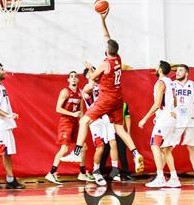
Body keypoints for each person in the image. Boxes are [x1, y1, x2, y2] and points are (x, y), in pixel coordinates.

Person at [60, 9, 144, 174]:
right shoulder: (117, 58)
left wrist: (88, 69)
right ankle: (136, 153)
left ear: (107, 50)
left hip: (107, 98)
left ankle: (76, 153)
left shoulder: (105, 63)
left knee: (84, 121)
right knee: (119, 129)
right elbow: (107, 37)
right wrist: (102, 19)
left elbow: (92, 78)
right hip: (119, 97)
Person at [45, 71, 94, 185]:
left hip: (75, 122)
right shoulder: (65, 92)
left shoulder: (80, 92)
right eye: (71, 77)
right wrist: (72, 114)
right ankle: (52, 173)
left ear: (78, 80)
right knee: (64, 149)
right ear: (68, 80)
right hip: (66, 122)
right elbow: (58, 109)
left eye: (75, 77)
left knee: (83, 147)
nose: (73, 79)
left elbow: (81, 111)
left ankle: (82, 173)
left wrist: (83, 121)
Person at [139, 60, 180, 188]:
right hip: (170, 118)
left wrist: (144, 119)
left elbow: (157, 104)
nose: (156, 69)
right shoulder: (171, 83)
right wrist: (163, 114)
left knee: (154, 145)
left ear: (160, 70)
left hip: (165, 119)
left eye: (157, 67)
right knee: (166, 149)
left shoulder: (160, 83)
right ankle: (174, 178)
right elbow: (175, 101)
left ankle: (160, 176)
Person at [81, 65, 120, 186]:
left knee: (113, 142)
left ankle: (115, 170)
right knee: (100, 147)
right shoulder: (87, 87)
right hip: (95, 120)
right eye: (92, 72)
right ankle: (96, 171)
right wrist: (91, 71)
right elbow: (91, 86)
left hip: (106, 117)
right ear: (88, 76)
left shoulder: (103, 84)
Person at [100, 102, 135, 181]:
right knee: (104, 151)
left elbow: (127, 117)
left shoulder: (124, 105)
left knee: (122, 152)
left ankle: (125, 174)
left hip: (119, 131)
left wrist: (128, 132)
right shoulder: (105, 103)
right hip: (107, 131)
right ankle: (100, 173)